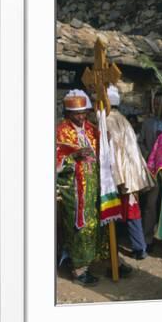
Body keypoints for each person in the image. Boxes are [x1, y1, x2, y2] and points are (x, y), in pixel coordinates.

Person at [56, 90, 106, 286]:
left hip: (92, 188)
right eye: (76, 114)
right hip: (73, 191)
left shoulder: (92, 129)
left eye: (83, 112)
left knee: (91, 227)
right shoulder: (60, 131)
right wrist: (73, 157)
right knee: (78, 228)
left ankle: (86, 264)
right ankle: (78, 270)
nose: (81, 117)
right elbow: (56, 161)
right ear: (68, 114)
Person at [106, 85, 156, 260]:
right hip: (132, 172)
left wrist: (116, 177)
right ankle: (138, 246)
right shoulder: (123, 120)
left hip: (122, 174)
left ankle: (138, 247)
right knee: (132, 210)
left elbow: (112, 152)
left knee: (128, 210)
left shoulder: (108, 121)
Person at [140, 92, 162, 248]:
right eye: (154, 104)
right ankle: (147, 239)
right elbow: (141, 143)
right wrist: (148, 154)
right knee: (150, 204)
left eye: (159, 104)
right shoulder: (147, 123)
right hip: (153, 169)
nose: (156, 107)